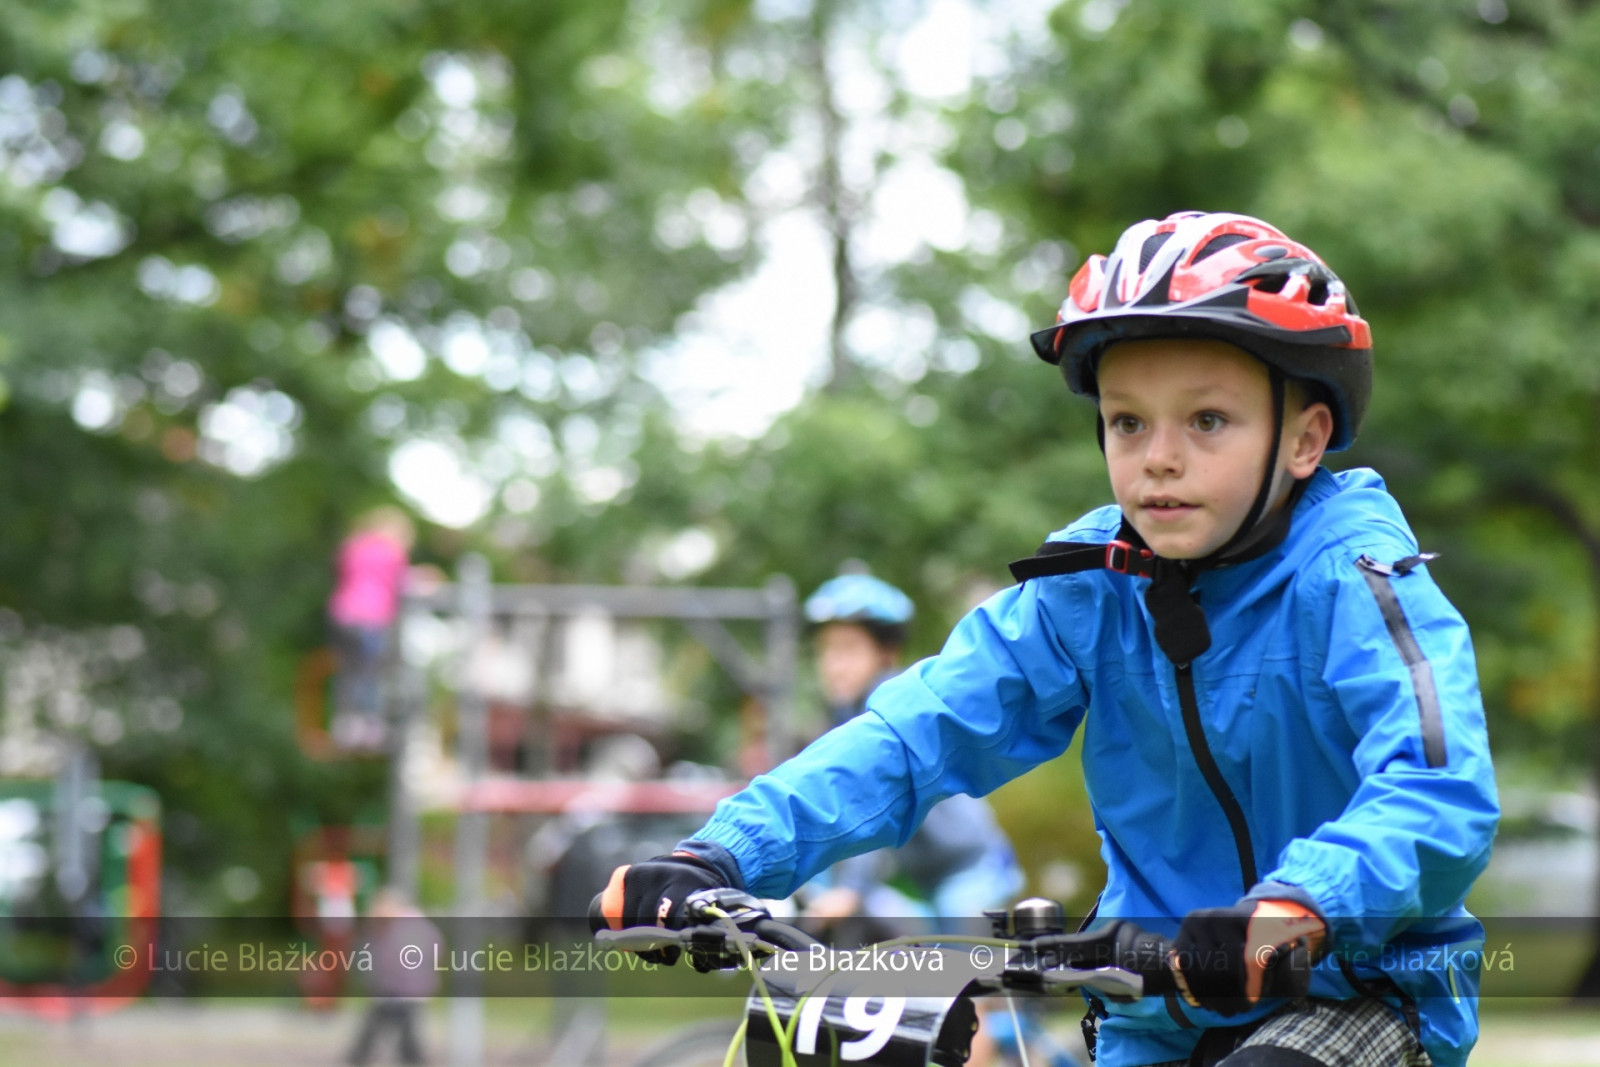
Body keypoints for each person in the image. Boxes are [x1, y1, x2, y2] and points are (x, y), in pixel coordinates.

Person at [595, 212, 1499, 1067]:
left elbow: (1439, 789)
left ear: (1304, 439)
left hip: (1356, 993)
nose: (1159, 456)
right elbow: (916, 733)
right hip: (1153, 1008)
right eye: (1128, 420)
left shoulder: (1357, 579)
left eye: (1207, 420)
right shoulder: (1088, 584)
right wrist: (720, 854)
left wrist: (1300, 906)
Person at [796, 571, 1025, 941]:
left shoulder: (894, 712)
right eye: (826, 650)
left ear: (887, 653)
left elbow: (872, 811)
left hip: (971, 870)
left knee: (968, 970)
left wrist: (850, 890)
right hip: (922, 882)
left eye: (848, 649)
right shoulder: (843, 718)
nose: (833, 665)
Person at [327, 506, 415, 751]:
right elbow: (403, 583)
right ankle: (369, 725)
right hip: (371, 618)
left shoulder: (353, 547)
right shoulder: (392, 553)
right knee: (372, 672)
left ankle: (345, 723)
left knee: (349, 670)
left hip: (342, 615)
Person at [347, 887, 441, 1066]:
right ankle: (362, 1055)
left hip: (409, 987)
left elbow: (418, 956)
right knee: (381, 1022)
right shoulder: (383, 925)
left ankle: (409, 1057)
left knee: (404, 1025)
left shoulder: (410, 926)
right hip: (392, 986)